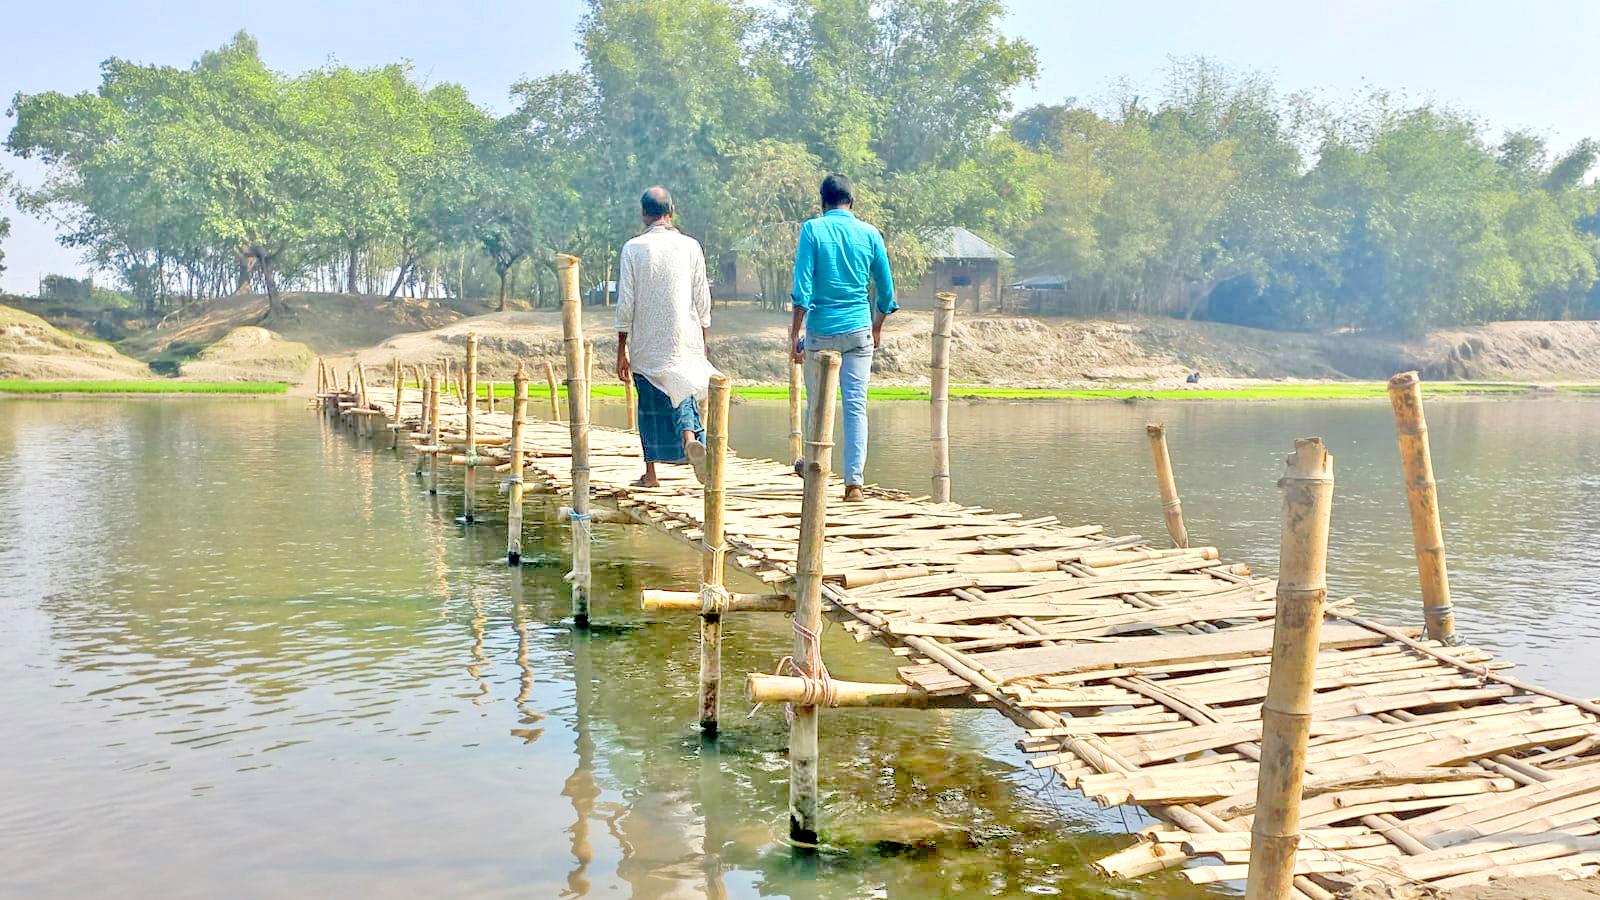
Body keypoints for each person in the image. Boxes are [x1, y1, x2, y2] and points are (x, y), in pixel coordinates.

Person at [789, 173, 897, 502]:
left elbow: (802, 288)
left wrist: (796, 334)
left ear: (822, 202)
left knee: (818, 406)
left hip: (821, 331)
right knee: (855, 406)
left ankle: (814, 469)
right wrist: (876, 326)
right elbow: (887, 293)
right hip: (858, 331)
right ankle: (854, 483)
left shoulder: (813, 229)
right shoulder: (870, 233)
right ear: (852, 201)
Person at [615, 186, 718, 487]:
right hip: (684, 338)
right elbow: (702, 296)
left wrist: (622, 349)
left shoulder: (633, 249)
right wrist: (703, 337)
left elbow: (626, 302)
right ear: (671, 212)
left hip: (647, 342)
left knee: (648, 404)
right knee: (682, 392)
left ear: (644, 215)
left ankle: (651, 473)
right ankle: (689, 439)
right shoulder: (691, 246)